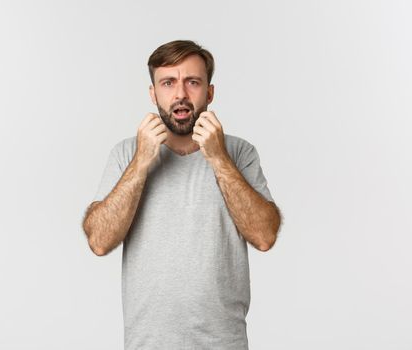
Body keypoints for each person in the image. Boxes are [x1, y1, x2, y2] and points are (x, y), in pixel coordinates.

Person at [82, 39, 282, 350]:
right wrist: (141, 162)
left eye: (193, 82)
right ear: (153, 94)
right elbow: (99, 241)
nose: (180, 95)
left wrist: (218, 158)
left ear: (209, 92)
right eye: (168, 83)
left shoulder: (239, 153)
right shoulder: (125, 154)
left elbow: (264, 235)